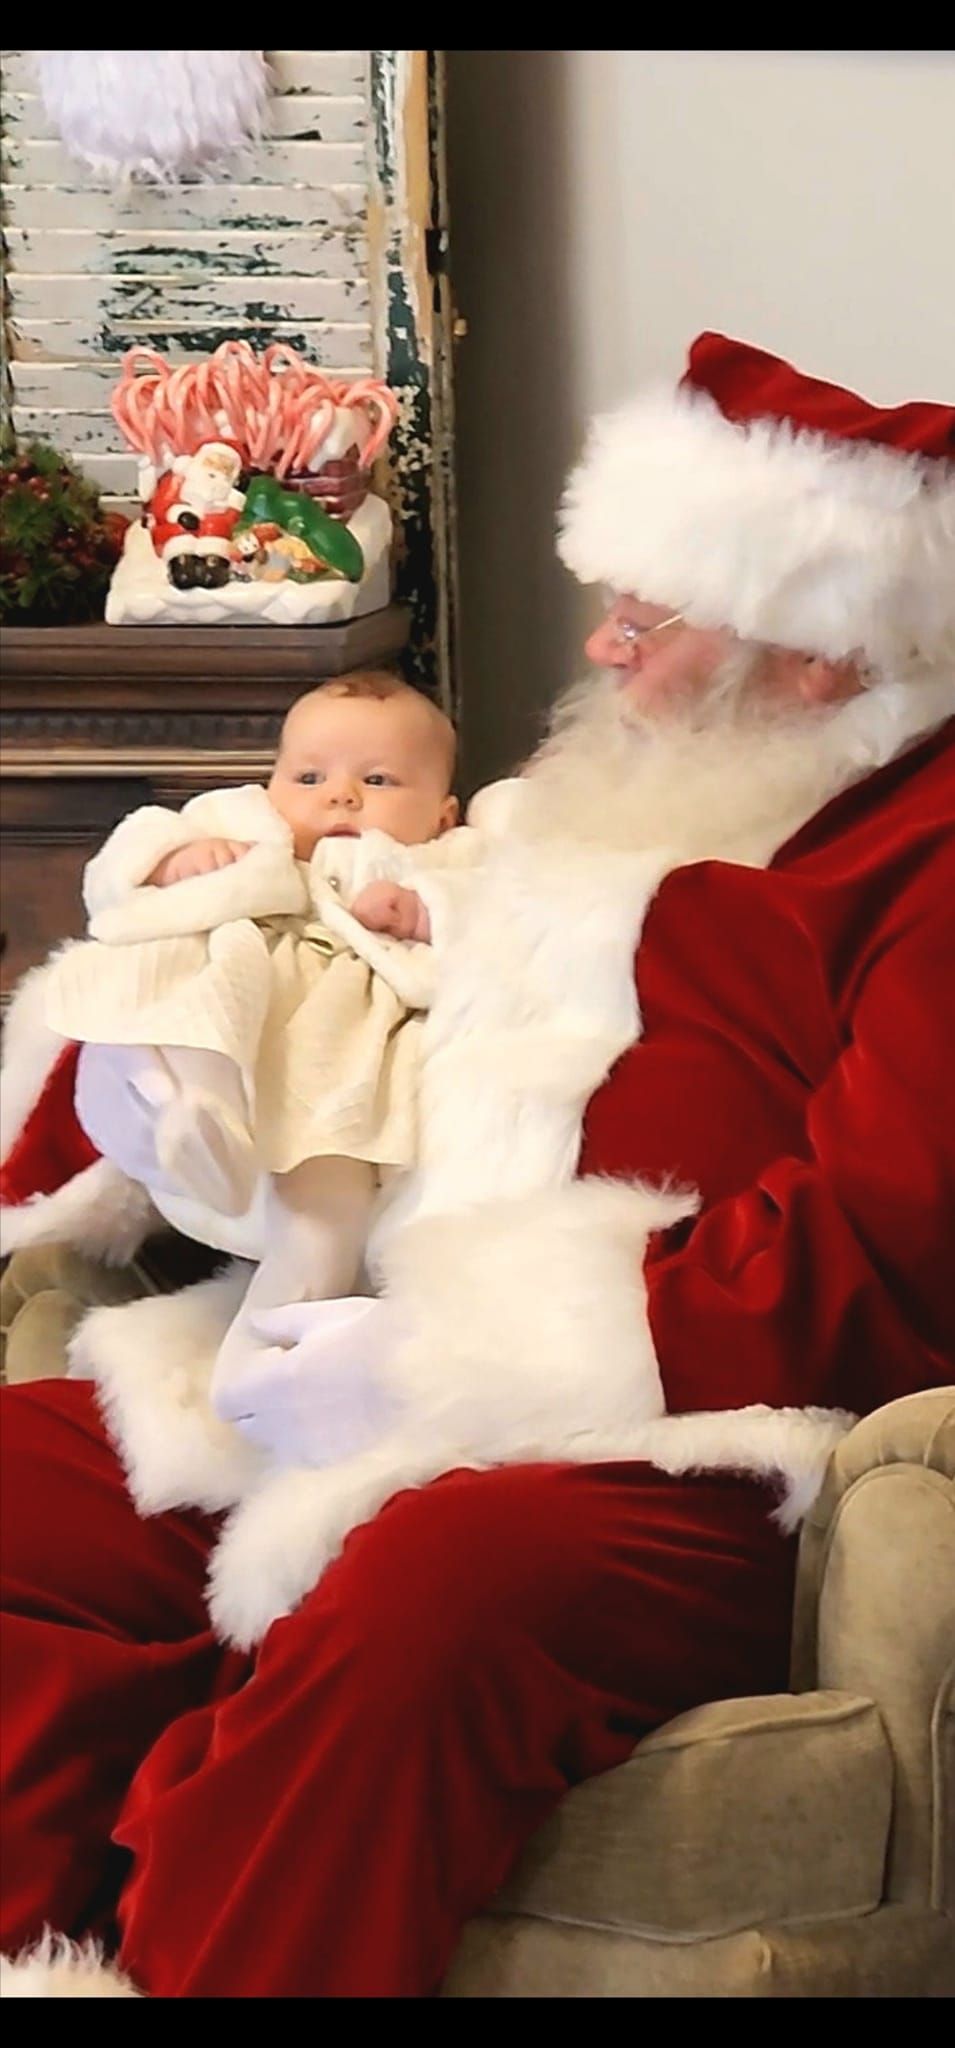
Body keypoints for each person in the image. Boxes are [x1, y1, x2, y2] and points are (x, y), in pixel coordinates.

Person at [1, 332, 953, 1998]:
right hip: (303, 1346)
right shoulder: (582, 801)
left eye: (651, 623)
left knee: (422, 1599)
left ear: (820, 650)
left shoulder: (923, 867)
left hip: (675, 1441)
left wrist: (445, 1371)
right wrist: (131, 1098)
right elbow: (319, 972)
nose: (597, 644)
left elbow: (891, 1242)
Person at [32, 670, 470, 1429]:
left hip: (335, 1055)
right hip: (229, 1007)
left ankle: (262, 1371)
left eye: (378, 779)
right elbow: (123, 862)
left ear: (442, 812)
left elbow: (504, 917)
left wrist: (425, 912)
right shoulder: (244, 829)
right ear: (271, 784)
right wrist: (175, 863)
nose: (340, 797)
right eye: (309, 776)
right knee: (152, 1001)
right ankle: (195, 1115)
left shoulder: (447, 858)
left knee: (324, 1212)